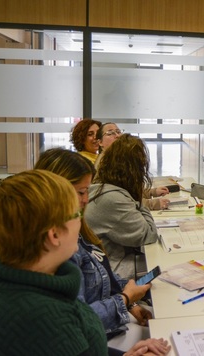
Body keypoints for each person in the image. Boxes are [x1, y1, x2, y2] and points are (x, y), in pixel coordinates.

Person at [0, 169, 171, 355]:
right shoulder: (44, 317)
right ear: (54, 234)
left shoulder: (20, 278)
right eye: (76, 214)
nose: (83, 219)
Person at [34, 148, 155, 350]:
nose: (86, 199)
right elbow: (78, 324)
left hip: (106, 330)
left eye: (87, 191)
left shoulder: (76, 230)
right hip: (100, 337)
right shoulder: (59, 249)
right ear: (55, 191)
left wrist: (131, 304)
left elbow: (103, 276)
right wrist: (125, 299)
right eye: (81, 192)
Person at [85, 134, 159, 279]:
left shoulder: (105, 188)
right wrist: (138, 195)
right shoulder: (112, 199)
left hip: (113, 262)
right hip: (114, 274)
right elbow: (149, 234)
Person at [95, 123, 170, 208]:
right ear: (100, 142)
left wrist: (151, 192)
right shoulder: (105, 163)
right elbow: (124, 200)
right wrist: (153, 204)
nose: (117, 136)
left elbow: (128, 191)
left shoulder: (116, 159)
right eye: (110, 133)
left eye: (118, 132)